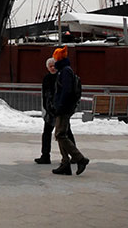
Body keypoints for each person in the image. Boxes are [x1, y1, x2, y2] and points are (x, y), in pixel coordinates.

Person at [52, 46, 90, 176]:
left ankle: (79, 158)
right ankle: (65, 163)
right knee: (61, 134)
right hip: (63, 107)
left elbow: (66, 91)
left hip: (64, 108)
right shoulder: (64, 70)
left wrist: (60, 106)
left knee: (60, 135)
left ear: (58, 58)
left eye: (55, 57)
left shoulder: (65, 71)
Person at [35, 57, 75, 164]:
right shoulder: (48, 78)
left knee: (65, 132)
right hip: (52, 110)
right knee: (49, 133)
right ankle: (45, 155)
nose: (52, 68)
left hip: (59, 109)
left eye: (54, 65)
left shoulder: (60, 76)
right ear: (47, 68)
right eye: (50, 66)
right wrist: (48, 108)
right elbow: (45, 95)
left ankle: (73, 155)